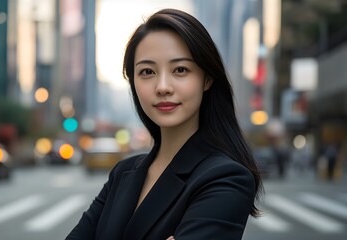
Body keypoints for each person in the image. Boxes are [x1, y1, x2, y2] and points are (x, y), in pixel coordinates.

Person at [66, 8, 263, 240]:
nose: (162, 87)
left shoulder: (226, 178)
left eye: (180, 70)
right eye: (147, 72)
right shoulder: (123, 173)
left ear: (207, 78)